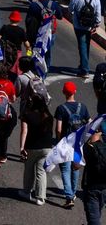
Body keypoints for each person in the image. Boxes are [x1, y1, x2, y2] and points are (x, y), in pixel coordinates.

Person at [56, 80, 89, 209]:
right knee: (76, 167)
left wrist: (59, 141)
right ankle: (73, 192)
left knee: (65, 169)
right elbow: (90, 123)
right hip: (78, 143)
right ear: (75, 91)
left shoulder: (61, 108)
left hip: (65, 142)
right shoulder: (83, 107)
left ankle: (69, 196)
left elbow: (58, 129)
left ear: (64, 92)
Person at [19, 92, 56, 205]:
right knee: (41, 172)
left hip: (32, 147)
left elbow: (24, 131)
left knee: (29, 170)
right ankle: (40, 197)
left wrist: (22, 147)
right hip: (47, 147)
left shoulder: (27, 114)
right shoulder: (48, 116)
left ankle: (27, 191)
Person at [76, 123, 106, 225]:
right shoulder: (105, 146)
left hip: (91, 188)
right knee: (97, 214)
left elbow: (75, 167)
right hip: (105, 187)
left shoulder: (86, 148)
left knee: (94, 219)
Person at [71, 0, 102, 78]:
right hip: (89, 26)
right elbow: (98, 13)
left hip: (78, 25)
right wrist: (96, 24)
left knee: (82, 46)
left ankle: (84, 70)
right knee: (86, 44)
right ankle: (83, 64)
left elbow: (70, 8)